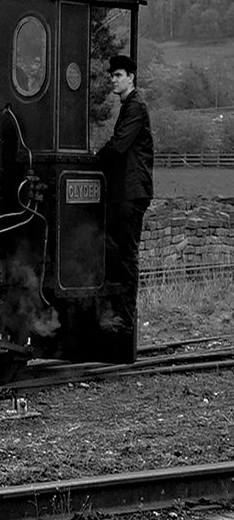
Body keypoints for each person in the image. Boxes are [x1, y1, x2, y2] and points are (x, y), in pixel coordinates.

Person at [97, 53, 153, 346]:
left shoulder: (136, 109)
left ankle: (126, 319)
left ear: (131, 77)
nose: (113, 80)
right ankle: (113, 313)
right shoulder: (130, 107)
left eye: (118, 75)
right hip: (127, 190)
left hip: (133, 191)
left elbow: (119, 146)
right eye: (112, 76)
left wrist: (95, 162)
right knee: (114, 249)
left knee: (127, 254)